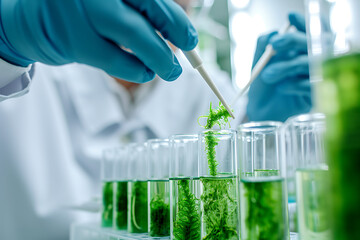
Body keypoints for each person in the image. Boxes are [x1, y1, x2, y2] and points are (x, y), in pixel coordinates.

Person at [0, 0, 310, 239]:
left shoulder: (210, 92)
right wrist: (8, 38)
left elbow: (238, 210)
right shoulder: (35, 51)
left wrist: (256, 130)